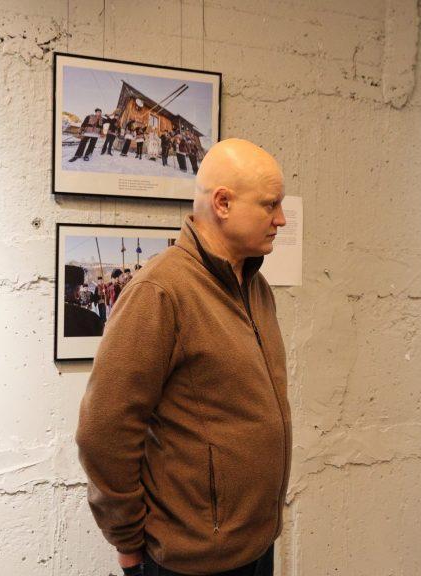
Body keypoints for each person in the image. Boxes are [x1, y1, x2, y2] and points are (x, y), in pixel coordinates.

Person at [76, 138, 290, 576]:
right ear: (223, 203)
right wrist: (129, 541)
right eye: (270, 205)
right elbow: (104, 432)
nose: (281, 220)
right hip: (188, 561)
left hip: (253, 545)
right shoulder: (161, 291)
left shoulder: (255, 286)